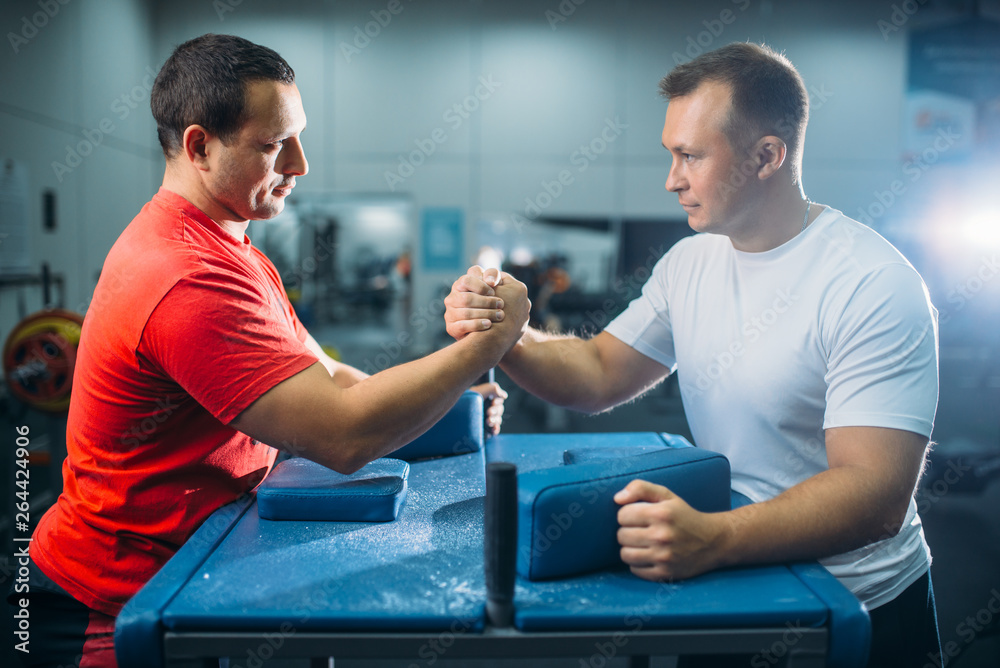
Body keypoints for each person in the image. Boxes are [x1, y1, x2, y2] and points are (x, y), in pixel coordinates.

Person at [14, 34, 528, 668]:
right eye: (273, 144)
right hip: (118, 605)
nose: (301, 164)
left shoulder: (233, 248)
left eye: (298, 136)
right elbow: (340, 437)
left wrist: (454, 399)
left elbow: (329, 375)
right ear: (200, 146)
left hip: (188, 571)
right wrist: (486, 346)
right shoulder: (185, 276)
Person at [445, 42, 940, 667]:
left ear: (767, 155)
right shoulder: (691, 262)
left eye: (690, 156)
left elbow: (875, 495)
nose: (672, 178)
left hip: (857, 604)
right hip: (730, 576)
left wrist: (715, 537)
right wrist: (508, 332)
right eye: (670, 154)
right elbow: (599, 373)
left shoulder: (872, 282)